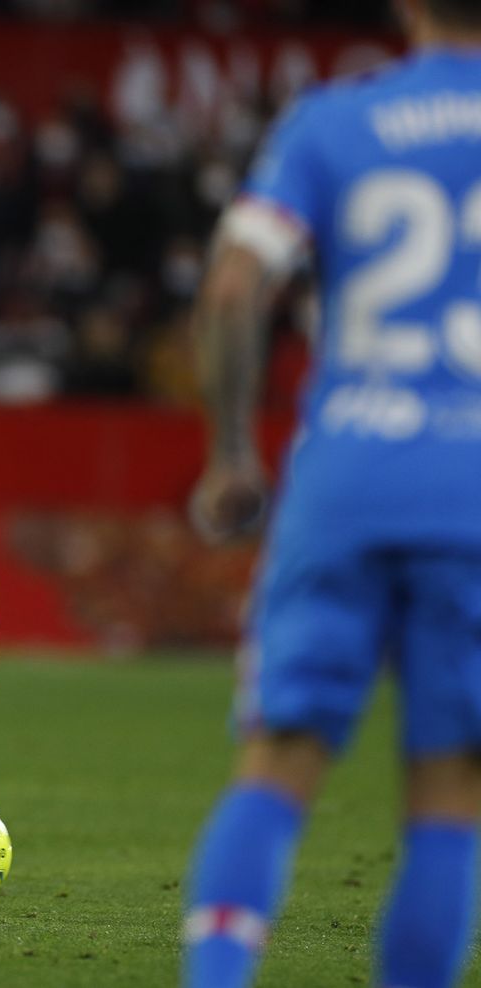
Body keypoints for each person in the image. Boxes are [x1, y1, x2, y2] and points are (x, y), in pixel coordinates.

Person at [182, 2, 481, 984]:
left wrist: (231, 452)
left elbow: (232, 288)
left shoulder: (333, 120)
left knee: (278, 761)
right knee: (447, 789)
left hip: (346, 475)